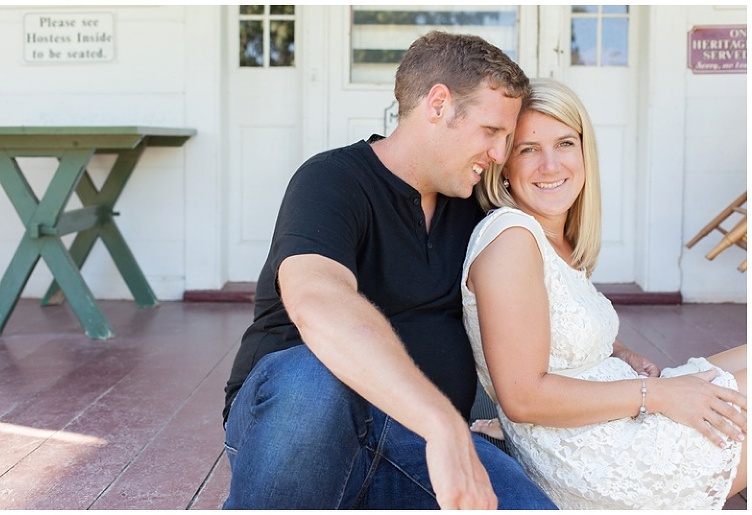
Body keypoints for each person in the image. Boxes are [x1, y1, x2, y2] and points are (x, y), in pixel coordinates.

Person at [221, 31, 557, 510]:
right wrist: (442, 423)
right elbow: (318, 300)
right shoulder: (332, 179)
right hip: (303, 432)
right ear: (438, 105)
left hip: (415, 447)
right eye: (491, 131)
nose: (500, 154)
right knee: (315, 376)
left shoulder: (477, 207)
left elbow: (538, 300)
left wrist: (618, 351)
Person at [463, 77, 747, 510]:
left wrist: (624, 353)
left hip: (617, 413)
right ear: (504, 164)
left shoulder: (552, 239)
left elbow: (550, 327)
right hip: (591, 456)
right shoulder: (511, 238)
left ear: (584, 151)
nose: (550, 166)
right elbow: (522, 397)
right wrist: (659, 394)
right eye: (528, 149)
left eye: (564, 143)